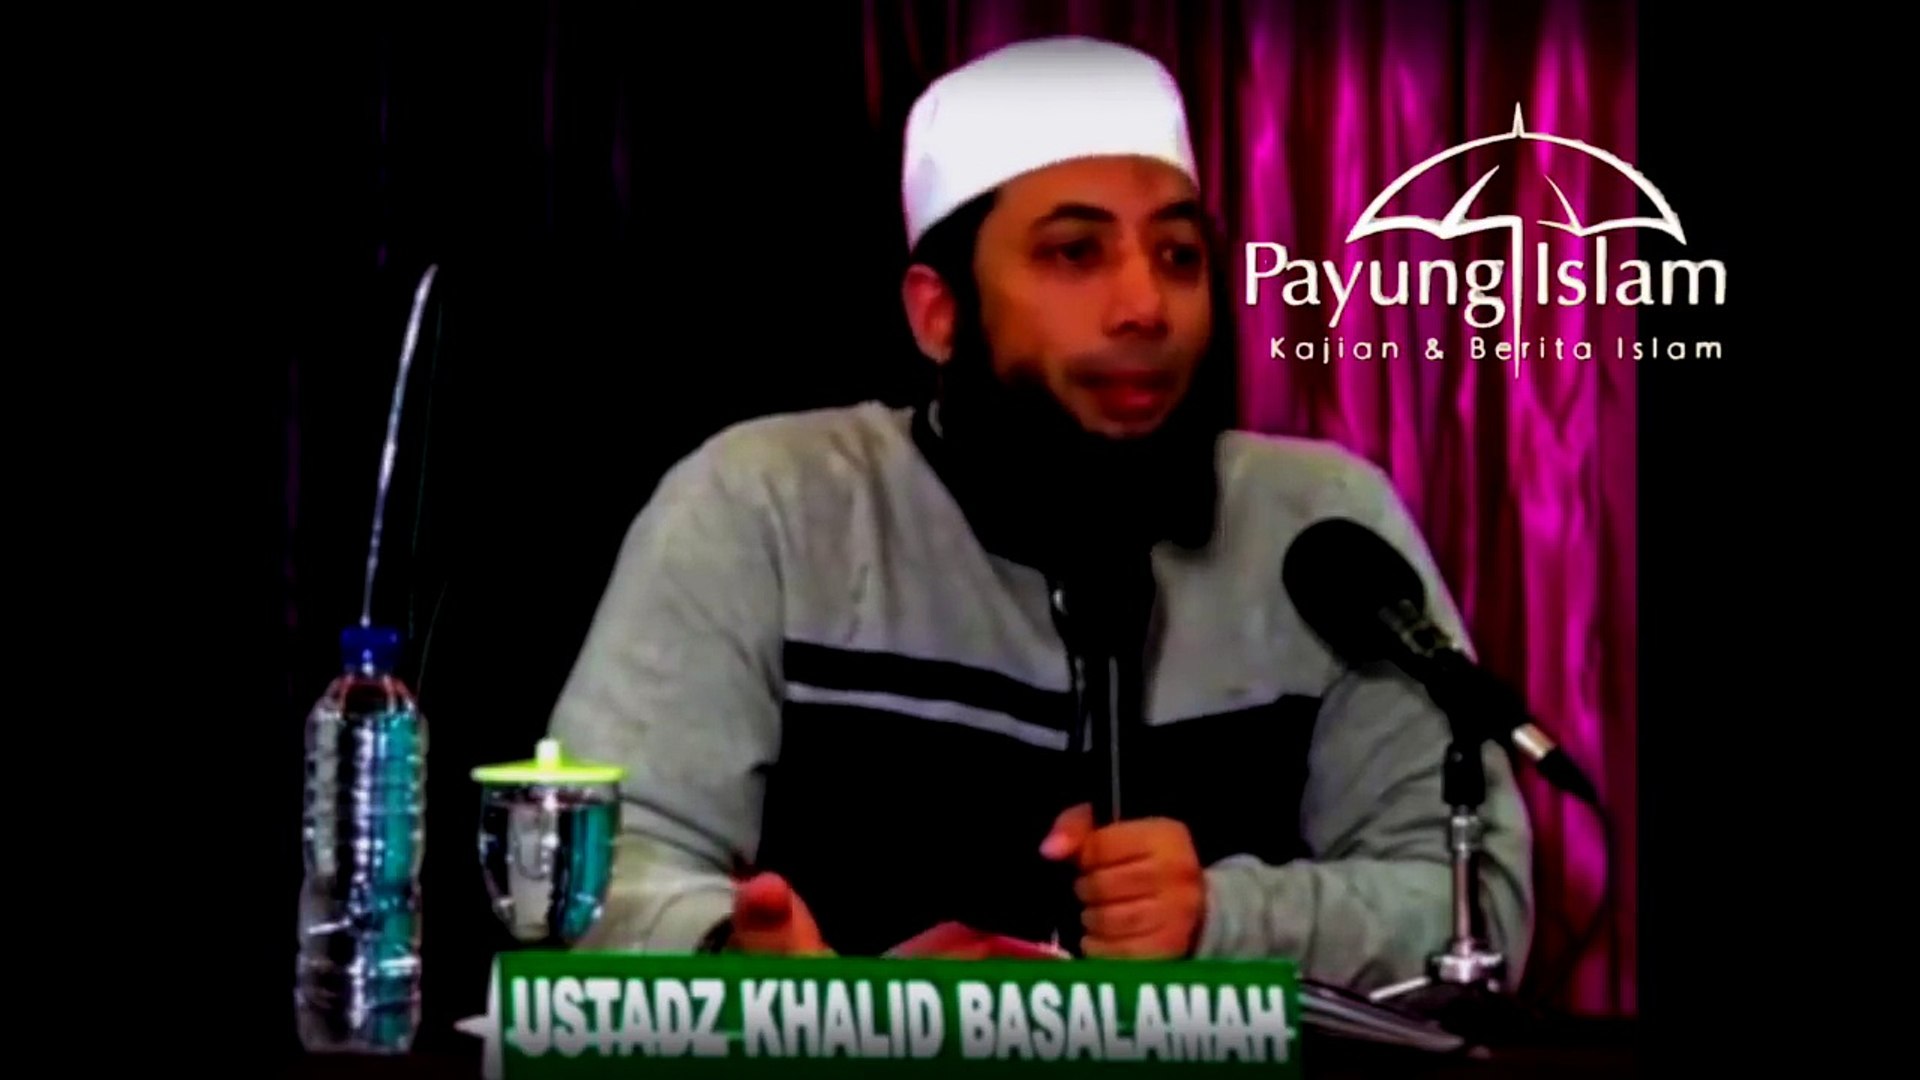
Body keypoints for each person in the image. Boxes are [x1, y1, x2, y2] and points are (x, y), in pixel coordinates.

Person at [545, 35, 1533, 992]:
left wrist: (1218, 920)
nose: (1146, 306)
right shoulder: (768, 507)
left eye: (1179, 255)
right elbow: (587, 867)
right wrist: (738, 967)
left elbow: (1474, 909)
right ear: (939, 313)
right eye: (1075, 254)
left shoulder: (1320, 531)